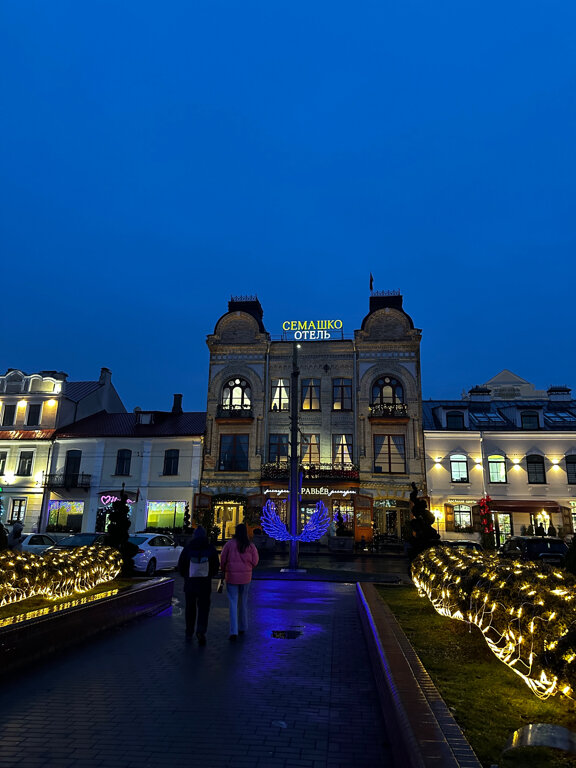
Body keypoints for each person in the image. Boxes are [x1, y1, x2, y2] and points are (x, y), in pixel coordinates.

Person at [178, 526, 220, 645]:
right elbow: (215, 566)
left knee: (190, 608)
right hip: (204, 584)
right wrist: (209, 575)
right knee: (203, 608)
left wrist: (186, 575)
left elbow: (181, 565)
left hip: (190, 583)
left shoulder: (188, 548)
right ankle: (201, 630)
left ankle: (189, 631)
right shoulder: (210, 548)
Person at [220, 523, 259, 641]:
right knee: (243, 602)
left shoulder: (229, 544)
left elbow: (223, 559)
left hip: (232, 577)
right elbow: (255, 561)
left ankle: (233, 630)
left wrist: (224, 569)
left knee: (233, 603)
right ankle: (243, 626)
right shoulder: (250, 546)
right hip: (246, 578)